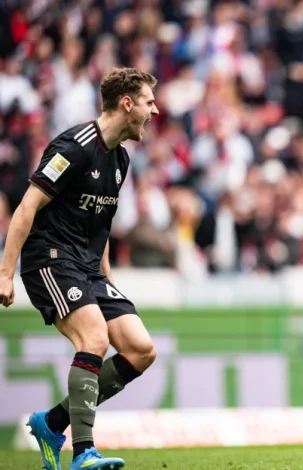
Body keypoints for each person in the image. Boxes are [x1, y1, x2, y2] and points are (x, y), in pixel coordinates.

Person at [0, 67, 160, 470]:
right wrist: (5, 272)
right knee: (94, 337)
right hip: (49, 259)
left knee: (141, 350)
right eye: (149, 102)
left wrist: (105, 278)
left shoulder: (120, 160)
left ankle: (51, 423)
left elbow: (99, 224)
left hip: (88, 267)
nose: (154, 111)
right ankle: (83, 452)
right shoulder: (73, 146)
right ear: (127, 104)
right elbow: (26, 208)